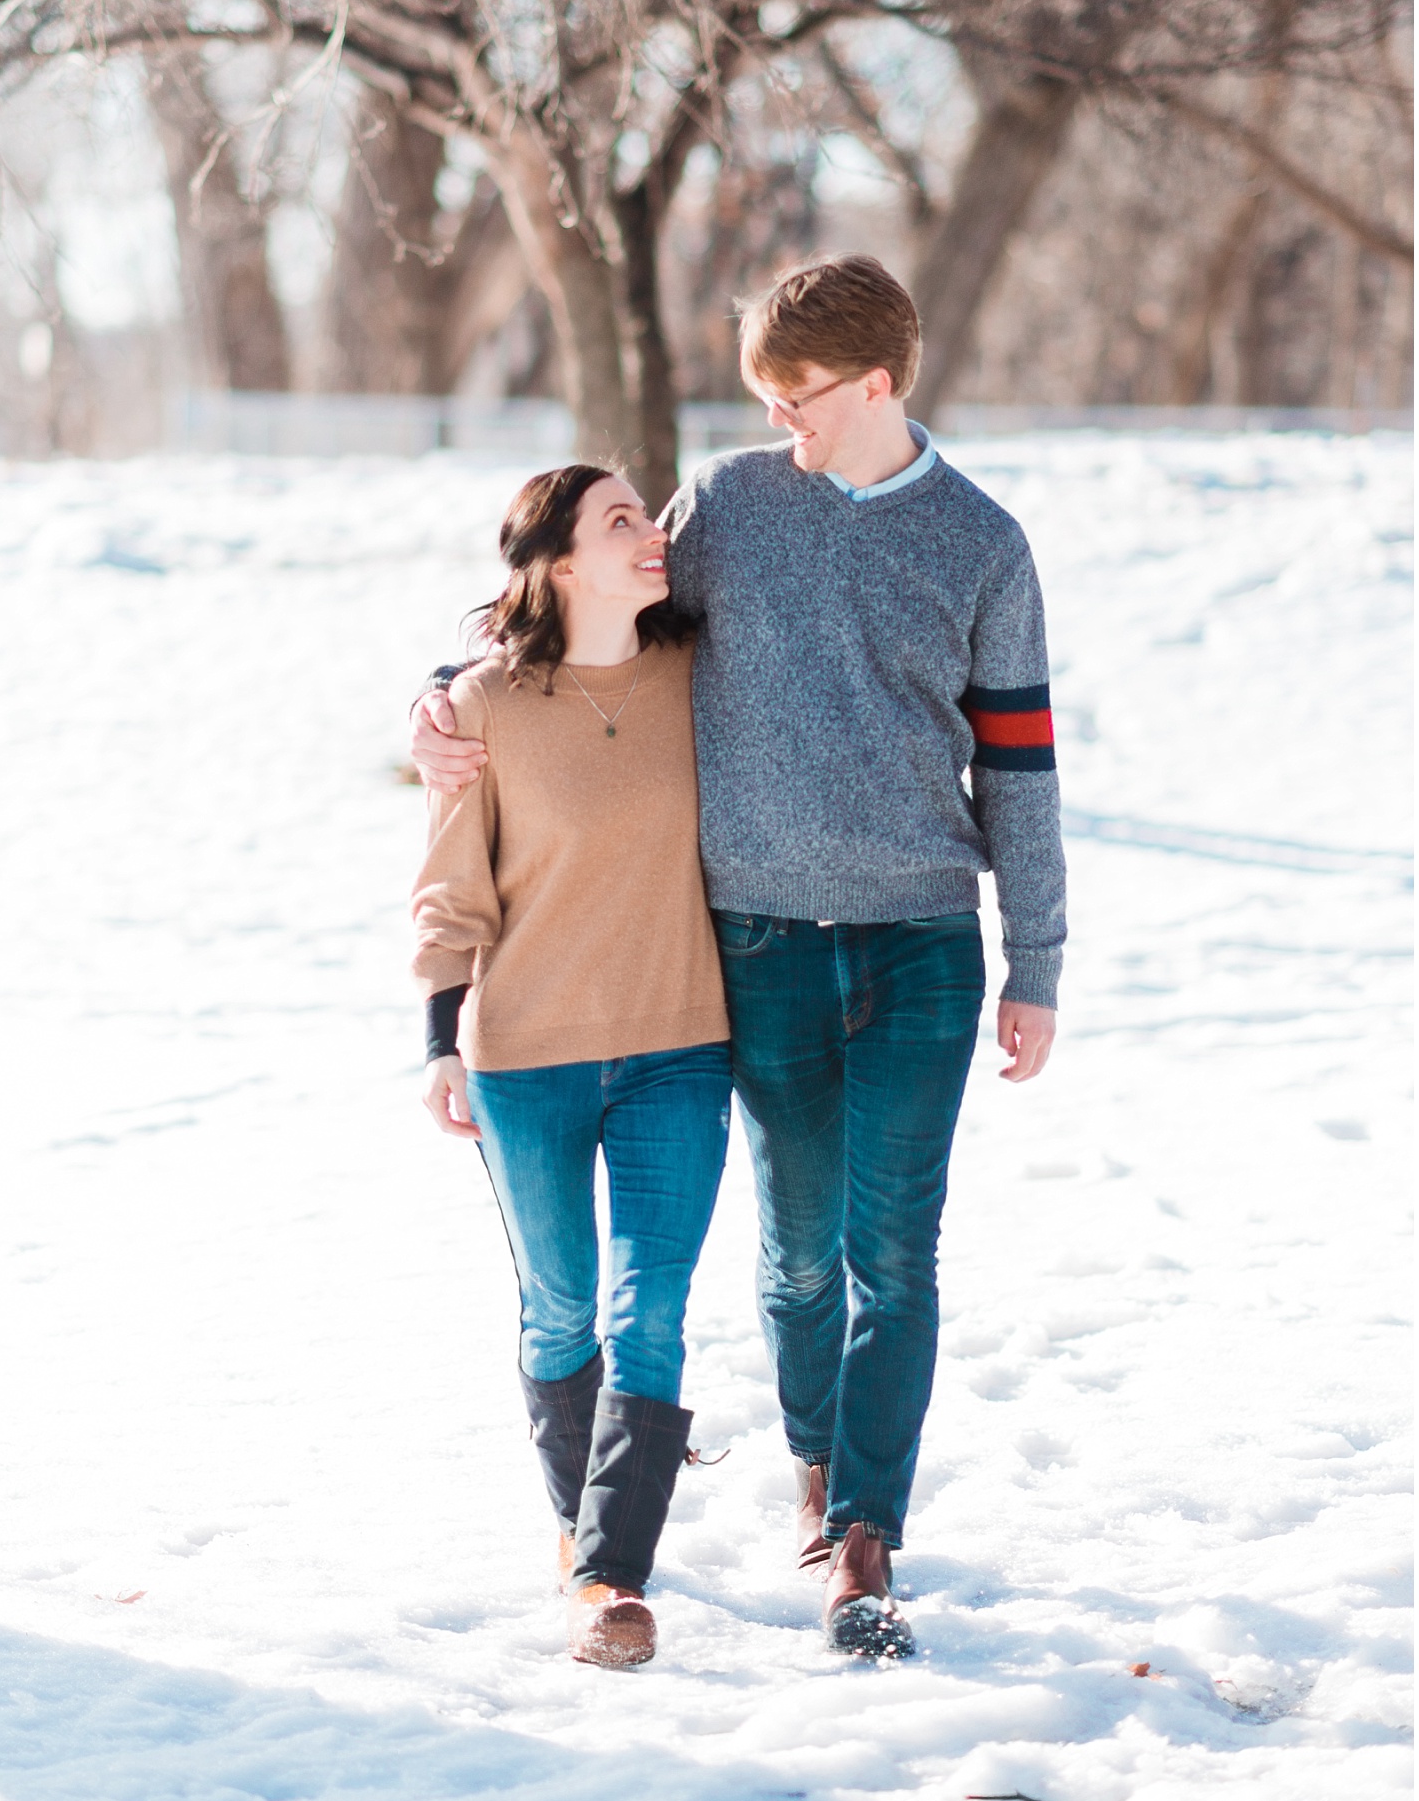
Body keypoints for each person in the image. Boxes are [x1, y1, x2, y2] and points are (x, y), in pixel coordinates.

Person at [413, 254, 1066, 1662]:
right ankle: (817, 1468)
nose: (782, 421)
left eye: (803, 395)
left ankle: (865, 1536)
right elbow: (570, 624)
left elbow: (1020, 774)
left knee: (896, 1245)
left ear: (879, 382)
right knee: (795, 1260)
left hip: (924, 944)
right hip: (755, 941)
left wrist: (1037, 962)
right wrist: (435, 698)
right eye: (765, 395)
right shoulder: (729, 507)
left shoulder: (983, 543)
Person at [411, 462, 731, 1672]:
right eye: (621, 521)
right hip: (526, 1054)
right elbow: (451, 885)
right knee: (560, 1310)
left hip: (679, 1044)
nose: (654, 534)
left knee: (648, 1312)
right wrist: (438, 1041)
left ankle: (610, 1580)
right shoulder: (483, 706)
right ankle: (577, 1531)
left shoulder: (700, 677)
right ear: (556, 564)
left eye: (647, 514)